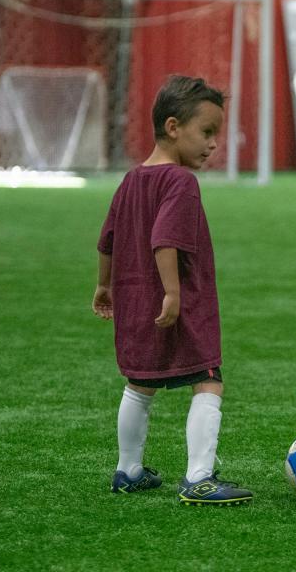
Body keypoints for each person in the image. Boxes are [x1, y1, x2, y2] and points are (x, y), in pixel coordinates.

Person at [93, 75, 252, 506]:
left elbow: (106, 240)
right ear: (173, 127)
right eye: (207, 132)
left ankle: (128, 470)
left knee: (139, 385)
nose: (213, 144)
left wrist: (104, 286)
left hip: (133, 303)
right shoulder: (180, 182)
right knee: (208, 378)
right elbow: (165, 239)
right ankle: (199, 477)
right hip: (177, 302)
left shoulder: (129, 181)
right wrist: (173, 293)